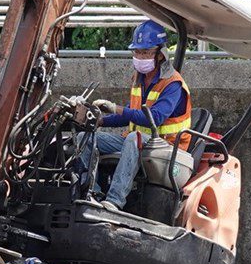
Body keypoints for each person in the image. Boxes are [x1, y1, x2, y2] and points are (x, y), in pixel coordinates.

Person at [82, 19, 192, 211]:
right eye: (137, 52)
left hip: (167, 147)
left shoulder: (173, 84)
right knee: (86, 137)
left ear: (160, 54)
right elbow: (131, 112)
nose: (140, 57)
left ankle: (114, 201)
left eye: (146, 52)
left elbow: (154, 118)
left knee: (135, 137)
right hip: (141, 142)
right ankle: (92, 193)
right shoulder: (139, 78)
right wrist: (101, 120)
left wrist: (116, 108)